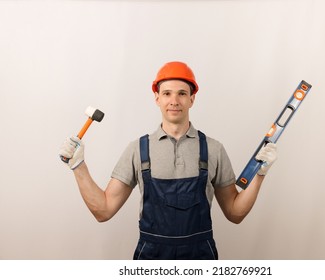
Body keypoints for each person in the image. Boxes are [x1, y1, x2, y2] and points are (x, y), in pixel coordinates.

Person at [59, 61, 277, 260]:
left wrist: (260, 174)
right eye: (167, 94)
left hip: (199, 256)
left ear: (192, 98)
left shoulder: (213, 149)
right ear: (157, 98)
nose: (174, 101)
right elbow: (104, 210)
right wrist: (79, 166)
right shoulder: (138, 149)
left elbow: (235, 213)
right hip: (152, 258)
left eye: (182, 93)